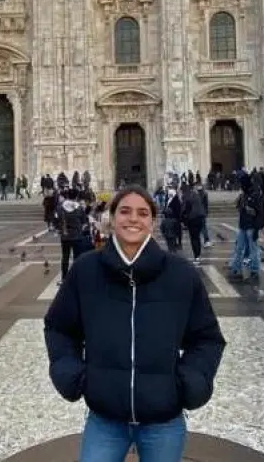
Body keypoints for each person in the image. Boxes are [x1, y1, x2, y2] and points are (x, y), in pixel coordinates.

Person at [44, 185, 226, 461]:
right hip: (105, 418)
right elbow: (59, 328)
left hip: (163, 418)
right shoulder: (86, 270)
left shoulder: (180, 274)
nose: (133, 219)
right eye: (125, 211)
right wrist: (73, 374)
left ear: (152, 222)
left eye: (142, 213)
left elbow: (207, 338)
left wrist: (189, 381)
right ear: (112, 218)